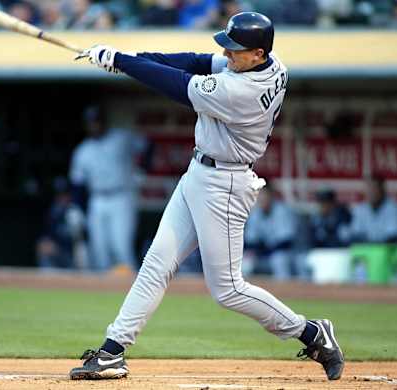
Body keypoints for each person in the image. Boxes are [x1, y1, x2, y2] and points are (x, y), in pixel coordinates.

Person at [70, 12, 344, 381]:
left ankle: (312, 333)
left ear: (258, 53)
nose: (227, 55)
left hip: (226, 185)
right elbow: (197, 61)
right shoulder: (271, 63)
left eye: (236, 50)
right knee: (156, 264)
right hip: (199, 174)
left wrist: (122, 62)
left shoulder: (240, 92)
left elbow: (179, 84)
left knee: (228, 290)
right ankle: (112, 350)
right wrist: (134, 57)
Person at [69, 105, 147, 273]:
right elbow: (77, 184)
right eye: (90, 122)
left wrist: (144, 168)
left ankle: (134, 290)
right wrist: (76, 207)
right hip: (97, 200)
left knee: (120, 247)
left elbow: (147, 145)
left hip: (121, 196)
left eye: (96, 121)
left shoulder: (121, 138)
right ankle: (102, 295)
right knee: (99, 251)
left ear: (104, 121)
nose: (94, 125)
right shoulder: (82, 150)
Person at [245, 183, 300, 280]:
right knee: (245, 261)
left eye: (264, 195)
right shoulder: (255, 214)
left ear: (271, 196)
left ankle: (284, 291)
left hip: (288, 253)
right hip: (264, 254)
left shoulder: (282, 211)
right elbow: (250, 241)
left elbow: (286, 242)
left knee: (279, 260)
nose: (261, 199)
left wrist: (266, 248)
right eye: (258, 195)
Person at [36, 177, 86, 270]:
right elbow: (47, 237)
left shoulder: (75, 212)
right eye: (59, 195)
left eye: (64, 195)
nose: (61, 198)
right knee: (43, 246)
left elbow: (82, 240)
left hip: (73, 255)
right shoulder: (53, 212)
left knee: (82, 251)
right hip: (59, 254)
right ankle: (47, 280)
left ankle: (83, 278)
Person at [350, 177, 397, 243]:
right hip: (365, 249)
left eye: (374, 188)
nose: (371, 192)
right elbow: (356, 233)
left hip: (388, 249)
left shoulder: (394, 207)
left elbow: (394, 236)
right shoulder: (360, 209)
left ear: (382, 190)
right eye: (368, 189)